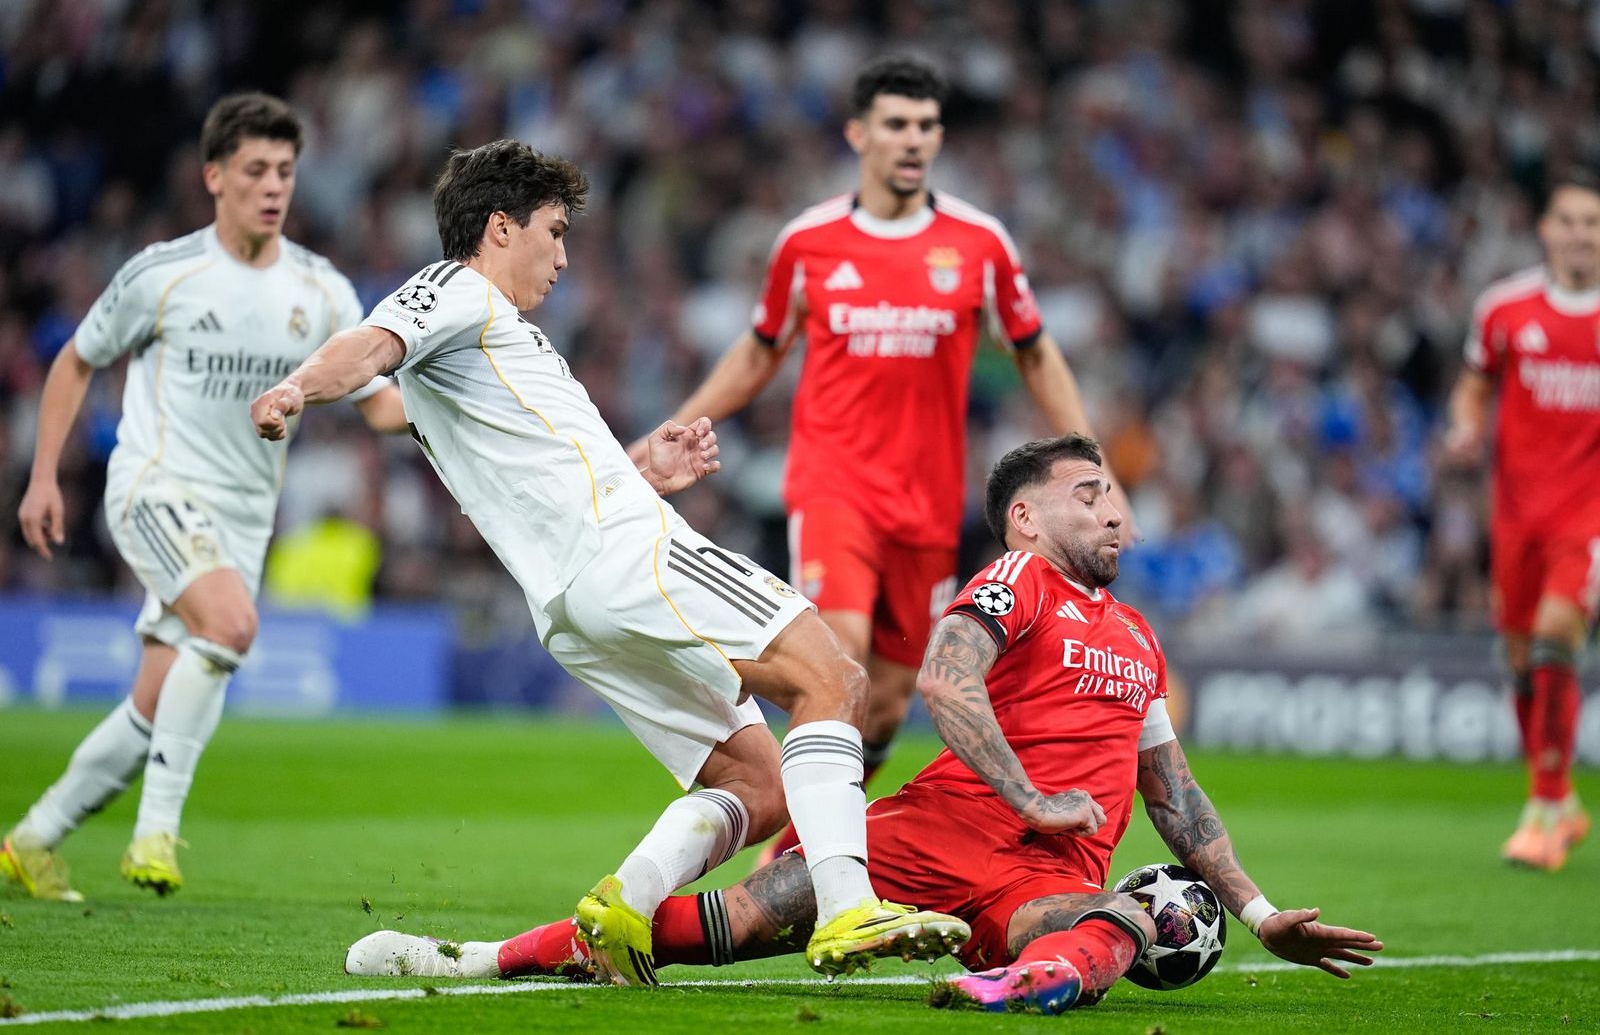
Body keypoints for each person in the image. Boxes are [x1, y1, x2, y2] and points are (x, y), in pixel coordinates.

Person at [249, 139, 966, 987]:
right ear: (500, 227)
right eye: (553, 232)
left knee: (757, 781)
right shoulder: (456, 290)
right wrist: (297, 388)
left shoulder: (492, 345)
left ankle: (623, 906)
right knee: (835, 682)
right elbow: (365, 347)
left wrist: (644, 471)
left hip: (574, 599)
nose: (562, 256)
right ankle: (849, 910)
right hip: (630, 556)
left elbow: (536, 468)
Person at [345, 435, 1380, 1015]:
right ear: (1026, 518)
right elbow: (943, 672)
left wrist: (1258, 913)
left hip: (1040, 878)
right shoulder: (1019, 578)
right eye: (1090, 494)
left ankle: (1007, 989)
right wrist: (1025, 792)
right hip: (934, 831)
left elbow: (1177, 796)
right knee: (734, 926)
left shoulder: (1143, 639)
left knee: (1124, 919)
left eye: (1118, 500)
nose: (1118, 513)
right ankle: (477, 958)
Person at [641, 58, 1128, 845]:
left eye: (927, 126)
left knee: (894, 698)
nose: (914, 140)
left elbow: (1036, 352)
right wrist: (680, 422)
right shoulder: (810, 241)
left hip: (929, 503)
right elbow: (762, 348)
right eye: (897, 124)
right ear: (859, 134)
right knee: (844, 663)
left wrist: (1092, 473)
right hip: (834, 487)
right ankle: (706, 693)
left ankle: (800, 854)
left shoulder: (980, 243)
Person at [2, 93, 407, 903]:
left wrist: (455, 413)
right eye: (256, 169)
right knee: (231, 626)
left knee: (154, 702)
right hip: (155, 487)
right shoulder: (165, 274)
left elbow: (380, 404)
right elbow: (77, 359)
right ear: (214, 176)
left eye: (285, 172)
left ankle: (30, 840)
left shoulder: (323, 291)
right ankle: (155, 830)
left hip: (243, 520)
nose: (273, 186)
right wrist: (44, 475)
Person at [1445, 167, 1599, 871]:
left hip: (1587, 516)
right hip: (1515, 516)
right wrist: (1465, 427)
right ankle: (1562, 799)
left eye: (1592, 223)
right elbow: (1474, 385)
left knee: (1553, 640)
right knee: (1520, 664)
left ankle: (1540, 816)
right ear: (1545, 229)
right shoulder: (1505, 309)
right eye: (1569, 221)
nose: (1581, 235)